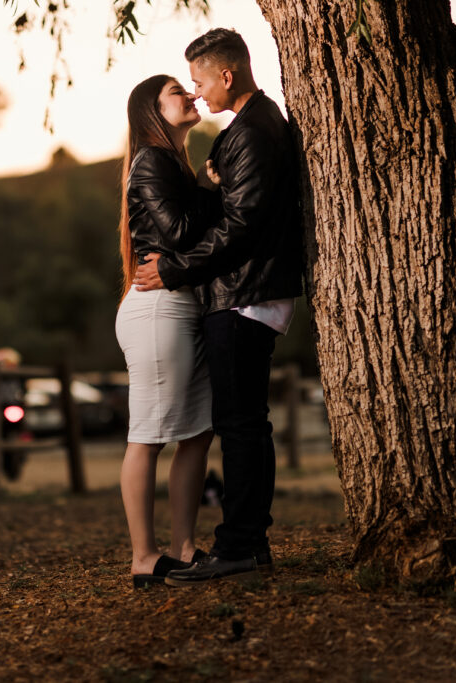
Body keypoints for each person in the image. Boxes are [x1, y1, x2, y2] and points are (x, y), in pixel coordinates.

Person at [133, 28, 305, 586]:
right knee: (242, 423)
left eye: (201, 81)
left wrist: (175, 269)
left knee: (240, 425)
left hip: (246, 293)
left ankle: (241, 546)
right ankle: (244, 543)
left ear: (226, 75)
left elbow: (242, 227)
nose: (199, 92)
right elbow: (233, 214)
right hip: (241, 293)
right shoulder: (245, 131)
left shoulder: (253, 131)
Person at [115, 74, 222, 589]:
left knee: (198, 433)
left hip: (181, 306)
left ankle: (183, 548)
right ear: (153, 110)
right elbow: (179, 233)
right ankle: (143, 556)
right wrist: (215, 191)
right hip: (158, 309)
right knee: (148, 437)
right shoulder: (152, 161)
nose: (193, 95)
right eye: (179, 91)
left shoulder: (170, 162)